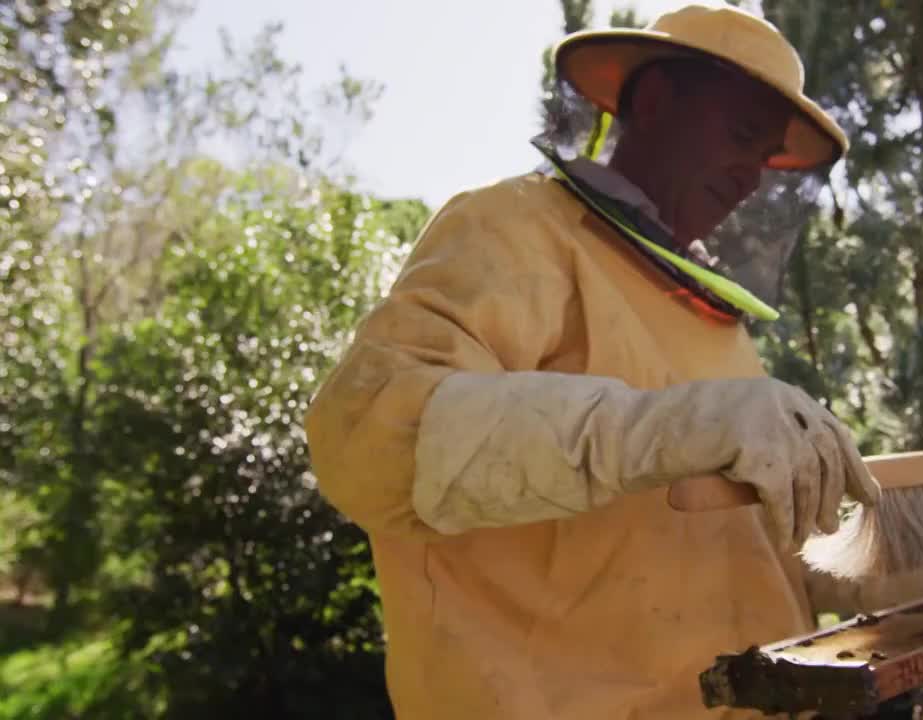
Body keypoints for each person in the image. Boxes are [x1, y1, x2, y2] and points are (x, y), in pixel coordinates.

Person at [304, 5, 888, 718]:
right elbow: (365, 440)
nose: (750, 181)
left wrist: (879, 570)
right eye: (740, 136)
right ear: (652, 100)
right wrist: (658, 432)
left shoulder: (713, 320)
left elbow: (733, 546)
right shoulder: (511, 228)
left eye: (765, 158)